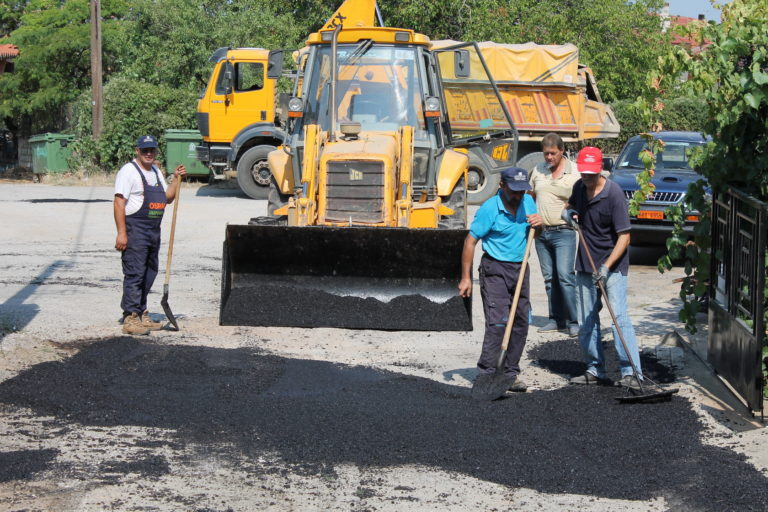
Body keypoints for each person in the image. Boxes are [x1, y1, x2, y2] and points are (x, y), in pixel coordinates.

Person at [563, 146, 642, 390]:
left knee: (619, 317)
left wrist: (607, 267)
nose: (586, 177)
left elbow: (625, 237)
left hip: (613, 266)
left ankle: (632, 372)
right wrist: (569, 213)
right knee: (587, 320)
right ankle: (594, 369)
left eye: (591, 173)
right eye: (583, 172)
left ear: (600, 170)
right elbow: (569, 205)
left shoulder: (614, 195)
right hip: (586, 263)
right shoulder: (579, 187)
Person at [458, 167, 543, 392]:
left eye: (522, 191)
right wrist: (465, 278)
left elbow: (537, 232)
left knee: (521, 322)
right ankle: (487, 374)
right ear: (502, 186)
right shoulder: (489, 209)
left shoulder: (528, 202)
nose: (518, 195)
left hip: (521, 267)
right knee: (498, 322)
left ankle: (509, 374)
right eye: (514, 191)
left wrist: (539, 225)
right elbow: (470, 241)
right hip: (495, 268)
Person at [114, 135, 186, 335]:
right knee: (135, 273)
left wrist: (176, 179)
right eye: (144, 150)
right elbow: (119, 202)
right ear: (137, 150)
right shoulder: (128, 172)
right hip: (135, 229)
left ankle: (141, 312)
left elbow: (168, 198)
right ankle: (130, 317)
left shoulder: (155, 171)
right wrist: (121, 233)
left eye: (152, 150)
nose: (148, 153)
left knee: (149, 272)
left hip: (153, 230)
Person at [528, 133, 580, 337]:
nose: (549, 157)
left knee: (565, 276)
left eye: (552, 153)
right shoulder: (538, 171)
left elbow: (581, 199)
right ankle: (555, 319)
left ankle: (573, 320)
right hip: (542, 233)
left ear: (562, 151)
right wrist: (532, 214)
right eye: (546, 154)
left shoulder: (574, 172)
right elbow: (530, 195)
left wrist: (569, 209)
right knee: (550, 279)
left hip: (563, 232)